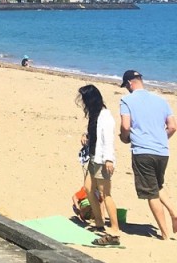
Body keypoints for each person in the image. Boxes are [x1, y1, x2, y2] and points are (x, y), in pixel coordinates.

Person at [119, 69, 177, 240]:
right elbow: (173, 126)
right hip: (162, 151)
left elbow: (125, 126)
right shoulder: (161, 99)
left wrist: (124, 138)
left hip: (143, 151)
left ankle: (165, 233)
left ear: (130, 83)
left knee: (150, 193)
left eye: (126, 86)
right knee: (157, 185)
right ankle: (174, 211)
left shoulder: (126, 100)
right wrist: (160, 137)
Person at [76, 85, 122, 246]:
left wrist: (109, 159)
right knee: (88, 188)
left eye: (85, 99)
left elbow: (108, 139)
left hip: (103, 159)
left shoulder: (106, 116)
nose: (82, 102)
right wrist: (85, 136)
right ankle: (99, 221)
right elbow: (94, 133)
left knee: (105, 193)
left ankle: (115, 229)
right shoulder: (94, 115)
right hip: (93, 157)